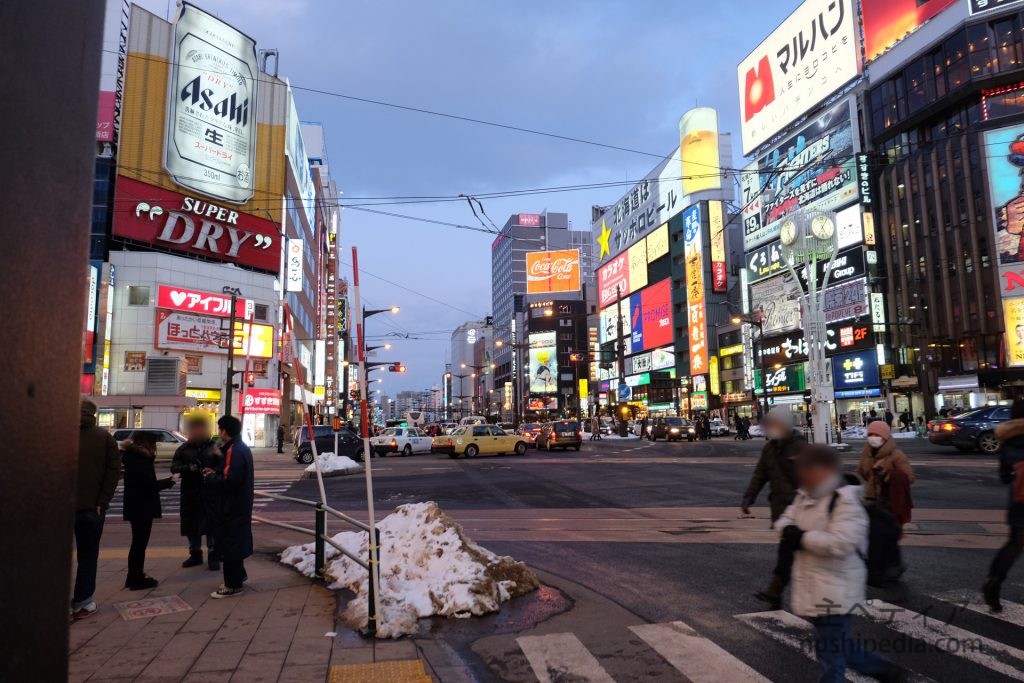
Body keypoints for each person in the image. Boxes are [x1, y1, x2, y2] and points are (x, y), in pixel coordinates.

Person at [777, 445, 902, 682]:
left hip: (837, 589)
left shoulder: (845, 501)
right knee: (837, 644)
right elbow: (784, 520)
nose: (801, 472)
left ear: (825, 470)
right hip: (812, 586)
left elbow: (841, 543)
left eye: (807, 467)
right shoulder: (804, 495)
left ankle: (878, 670)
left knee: (830, 652)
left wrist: (801, 537)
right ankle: (882, 669)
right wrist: (789, 530)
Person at [742, 406, 805, 609]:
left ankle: (776, 591)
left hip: (801, 509)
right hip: (781, 508)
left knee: (789, 553)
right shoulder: (769, 449)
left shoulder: (800, 446)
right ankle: (776, 592)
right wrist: (749, 497)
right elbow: (760, 475)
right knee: (791, 552)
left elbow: (812, 478)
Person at [72, 399, 121, 619]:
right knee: (88, 555)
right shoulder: (104, 438)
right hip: (93, 508)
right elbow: (114, 472)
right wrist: (102, 501)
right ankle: (83, 602)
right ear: (93, 414)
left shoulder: (55, 433)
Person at [857, 421, 914, 585]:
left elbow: (909, 477)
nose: (873, 438)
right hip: (870, 500)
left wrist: (887, 476)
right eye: (870, 434)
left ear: (885, 436)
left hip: (888, 502)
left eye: (877, 435)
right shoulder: (867, 453)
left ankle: (889, 567)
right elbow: (861, 472)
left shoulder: (896, 455)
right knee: (876, 535)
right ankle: (888, 566)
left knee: (887, 534)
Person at [204, 415, 255, 599]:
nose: (219, 433)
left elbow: (230, 480)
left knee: (230, 543)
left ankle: (232, 585)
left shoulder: (234, 449)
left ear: (225, 431)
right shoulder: (241, 447)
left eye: (220, 429)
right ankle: (238, 577)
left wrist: (210, 477)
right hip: (240, 504)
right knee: (235, 542)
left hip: (231, 505)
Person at [983, 399, 1024, 612]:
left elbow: (1005, 477)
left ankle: (994, 580)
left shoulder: (1008, 440)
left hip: (1019, 500)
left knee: (1014, 544)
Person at [122, 431, 175, 590]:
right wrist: (170, 481)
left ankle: (133, 576)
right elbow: (149, 486)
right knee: (139, 544)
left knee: (137, 543)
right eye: (154, 444)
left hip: (135, 505)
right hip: (142, 506)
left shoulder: (133, 457)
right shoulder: (141, 460)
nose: (156, 447)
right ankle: (136, 578)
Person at [171, 416, 222, 571]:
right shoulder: (184, 449)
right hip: (190, 491)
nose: (197, 431)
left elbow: (223, 465)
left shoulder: (213, 447)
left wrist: (214, 471)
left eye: (200, 428)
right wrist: (189, 468)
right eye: (195, 429)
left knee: (212, 525)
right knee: (192, 525)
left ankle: (213, 555)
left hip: (210, 492)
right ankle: (195, 553)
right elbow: (174, 467)